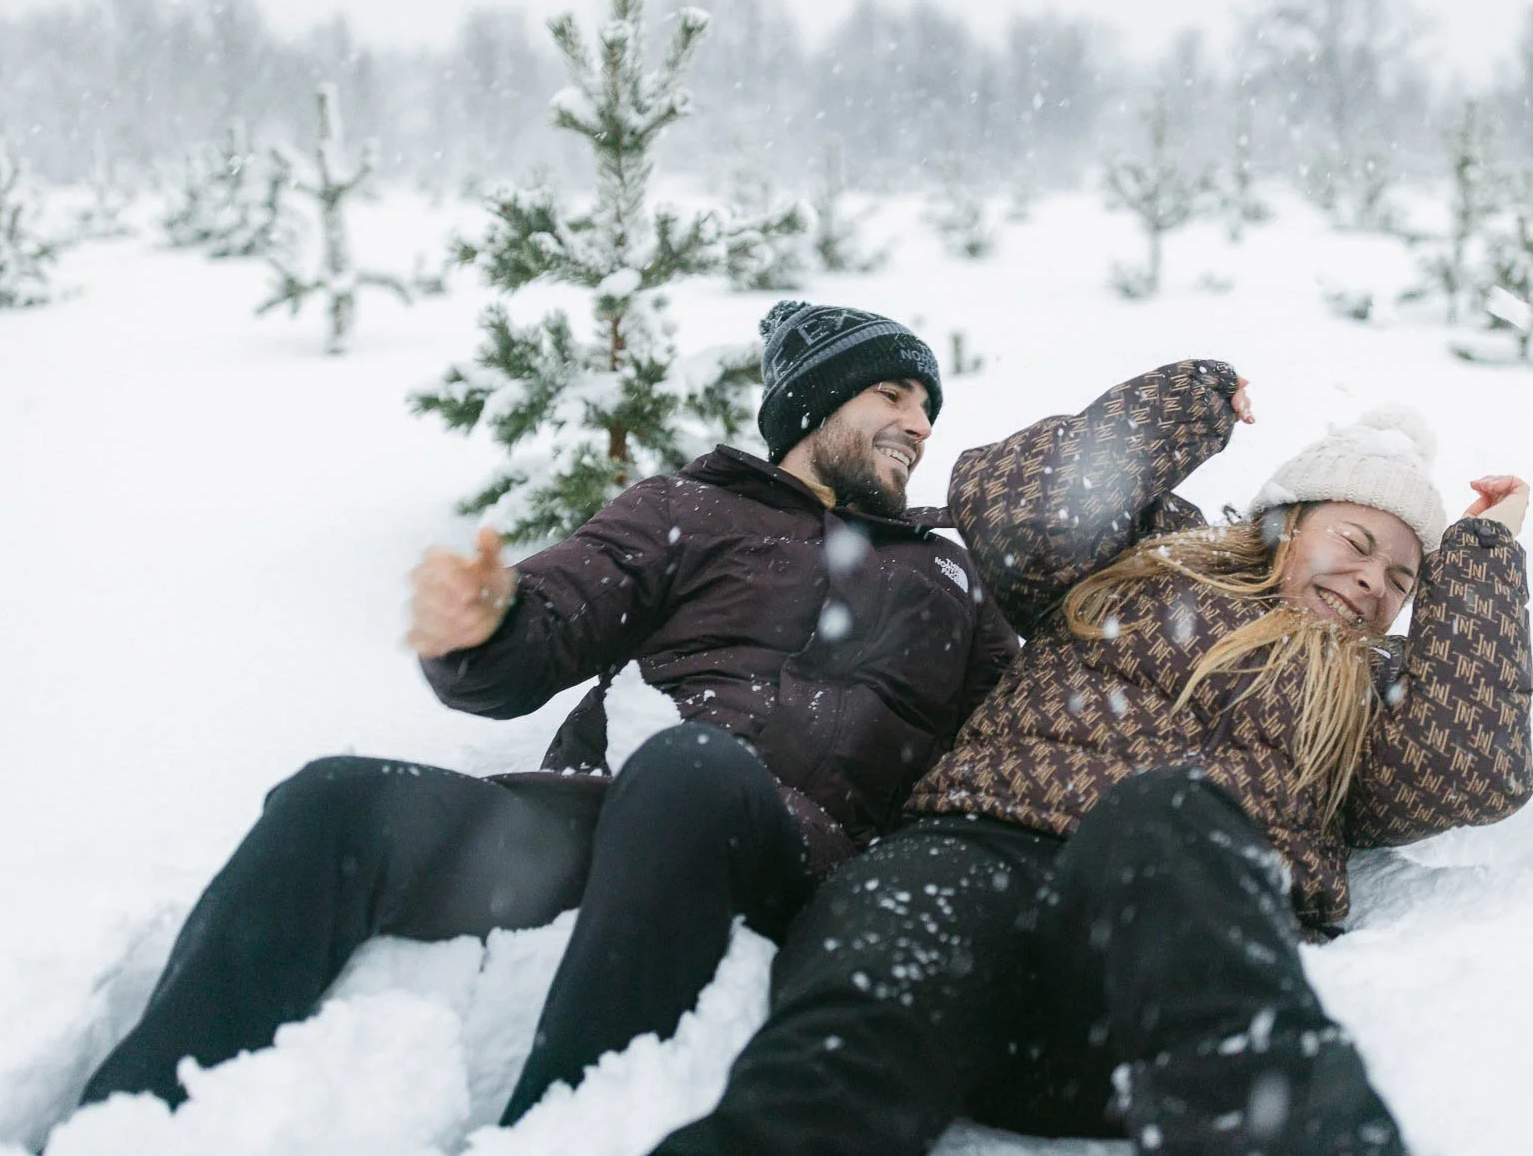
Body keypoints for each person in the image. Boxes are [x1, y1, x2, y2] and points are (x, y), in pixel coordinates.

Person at [75, 301, 1019, 1124]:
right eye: (894, 394)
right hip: (597, 815)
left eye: (929, 406)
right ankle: (132, 1118)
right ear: (817, 404)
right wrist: (486, 624)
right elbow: (559, 612)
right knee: (333, 801)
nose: (921, 423)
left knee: (691, 771)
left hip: (786, 851)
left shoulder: (949, 571)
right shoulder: (690, 507)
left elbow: (1014, 742)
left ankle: (554, 1125)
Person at [655, 358, 1533, 1156]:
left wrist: (1481, 555)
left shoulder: (1369, 685)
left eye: (1404, 579)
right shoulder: (1148, 556)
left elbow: (1470, 765)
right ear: (1284, 522)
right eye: (1356, 541)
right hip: (968, 869)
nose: (1374, 581)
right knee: (833, 1058)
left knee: (1170, 810)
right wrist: (1182, 406)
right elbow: (1017, 514)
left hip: (1146, 977)